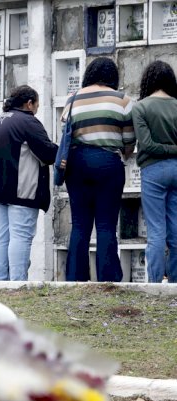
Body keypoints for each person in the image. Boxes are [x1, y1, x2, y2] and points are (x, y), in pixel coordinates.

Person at [62, 57, 135, 282]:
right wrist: (124, 152)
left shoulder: (72, 99)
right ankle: (108, 279)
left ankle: (75, 278)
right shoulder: (122, 100)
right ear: (112, 76)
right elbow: (129, 141)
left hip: (77, 164)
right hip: (108, 164)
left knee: (80, 224)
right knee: (106, 224)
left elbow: (65, 131)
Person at [0, 85, 58, 281]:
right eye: (37, 105)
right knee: (21, 236)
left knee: (0, 236)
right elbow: (48, 153)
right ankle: (18, 282)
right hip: (21, 189)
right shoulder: (28, 122)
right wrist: (65, 152)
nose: (37, 109)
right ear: (29, 103)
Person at [132, 60, 177, 283]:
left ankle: (155, 281)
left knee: (156, 230)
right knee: (176, 230)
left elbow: (146, 145)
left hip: (153, 171)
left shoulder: (140, 107)